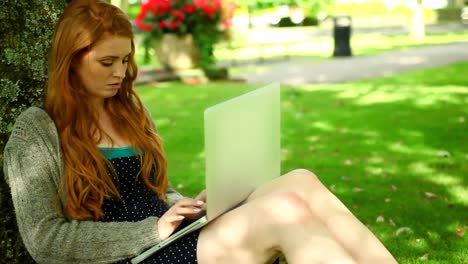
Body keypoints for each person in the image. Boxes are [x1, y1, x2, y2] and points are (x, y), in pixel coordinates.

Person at [3, 0, 398, 263]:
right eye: (107, 62)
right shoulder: (36, 131)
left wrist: (192, 205)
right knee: (286, 212)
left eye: (125, 60)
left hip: (171, 237)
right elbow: (44, 240)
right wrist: (152, 231)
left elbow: (156, 192)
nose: (120, 73)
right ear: (70, 62)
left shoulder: (128, 112)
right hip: (132, 255)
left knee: (301, 181)